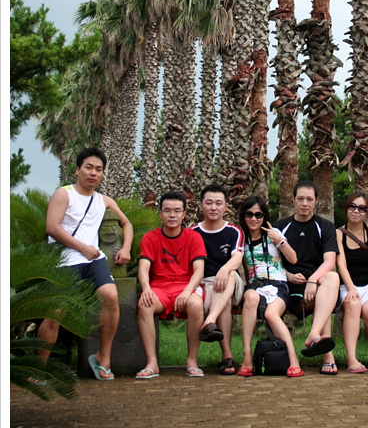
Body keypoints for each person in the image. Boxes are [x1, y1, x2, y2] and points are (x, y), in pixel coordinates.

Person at [37, 147, 133, 381]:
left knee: (111, 297)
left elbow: (127, 223)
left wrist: (126, 249)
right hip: (64, 260)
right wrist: (82, 247)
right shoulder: (64, 194)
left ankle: (103, 357)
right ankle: (39, 367)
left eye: (98, 169)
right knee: (55, 312)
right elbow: (52, 227)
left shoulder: (103, 200)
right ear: (78, 169)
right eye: (88, 167)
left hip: (93, 261)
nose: (93, 173)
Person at [136, 190, 212, 379]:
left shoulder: (193, 237)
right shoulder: (150, 238)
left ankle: (192, 361)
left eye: (177, 211)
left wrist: (187, 292)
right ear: (160, 213)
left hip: (186, 286)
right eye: (167, 210)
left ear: (184, 214)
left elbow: (199, 271)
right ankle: (152, 363)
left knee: (195, 304)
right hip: (159, 288)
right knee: (144, 304)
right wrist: (146, 289)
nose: (172, 215)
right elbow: (143, 268)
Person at [274, 181, 340, 375]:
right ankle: (327, 356)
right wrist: (289, 276)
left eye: (309, 199)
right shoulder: (280, 228)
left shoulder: (325, 226)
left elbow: (330, 262)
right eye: (300, 198)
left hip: (315, 287)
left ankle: (314, 334)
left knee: (332, 278)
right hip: (289, 288)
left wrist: (312, 280)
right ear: (293, 199)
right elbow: (272, 263)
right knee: (325, 298)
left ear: (316, 201)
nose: (305, 203)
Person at [237, 195, 303, 378]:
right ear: (243, 216)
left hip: (278, 286)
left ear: (264, 216)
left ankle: (293, 360)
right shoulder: (241, 239)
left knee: (271, 315)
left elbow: (293, 259)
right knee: (250, 297)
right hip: (255, 286)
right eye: (249, 214)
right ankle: (247, 357)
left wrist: (279, 240)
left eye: (258, 215)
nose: (253, 218)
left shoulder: (274, 234)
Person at [191, 184, 245, 376]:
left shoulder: (234, 231)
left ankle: (210, 320)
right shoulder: (192, 232)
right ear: (201, 206)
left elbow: (237, 258)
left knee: (230, 275)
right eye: (209, 203)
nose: (213, 207)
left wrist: (224, 268)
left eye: (218, 203)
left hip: (231, 281)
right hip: (204, 285)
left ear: (226, 207)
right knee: (225, 301)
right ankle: (227, 357)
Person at [336, 192, 368, 374]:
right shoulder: (338, 234)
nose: (356, 211)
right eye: (352, 206)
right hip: (348, 284)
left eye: (362, 208)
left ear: (367, 212)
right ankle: (352, 358)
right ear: (346, 208)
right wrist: (351, 289)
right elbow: (341, 265)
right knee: (353, 305)